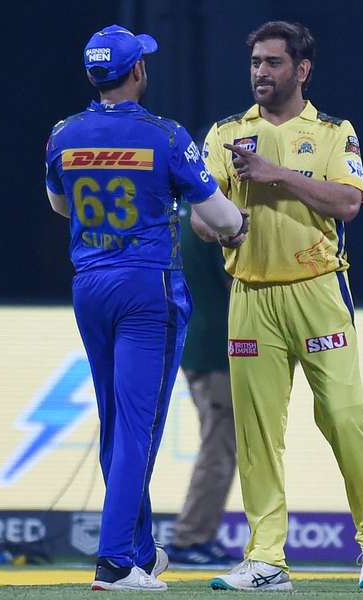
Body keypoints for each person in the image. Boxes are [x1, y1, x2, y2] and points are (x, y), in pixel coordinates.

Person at [44, 25, 247, 591]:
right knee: (138, 426)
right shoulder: (165, 135)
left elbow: (62, 205)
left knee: (116, 422)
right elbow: (225, 219)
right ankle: (114, 562)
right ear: (137, 72)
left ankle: (135, 550)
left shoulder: (64, 134)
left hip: (90, 283)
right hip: (146, 289)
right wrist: (241, 226)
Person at [198, 21, 363, 592]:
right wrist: (220, 229)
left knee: (345, 417)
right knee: (257, 432)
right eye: (256, 62)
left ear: (301, 70)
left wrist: (276, 175)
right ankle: (266, 559)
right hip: (251, 295)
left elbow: (350, 202)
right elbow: (199, 214)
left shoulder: (334, 131)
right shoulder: (226, 132)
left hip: (317, 289)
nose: (261, 72)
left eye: (273, 63)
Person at [165, 201, 238, 566]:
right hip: (215, 351)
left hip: (196, 344)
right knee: (219, 450)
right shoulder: (212, 224)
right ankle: (191, 537)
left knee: (220, 448)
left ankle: (196, 536)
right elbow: (234, 279)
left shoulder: (178, 222)